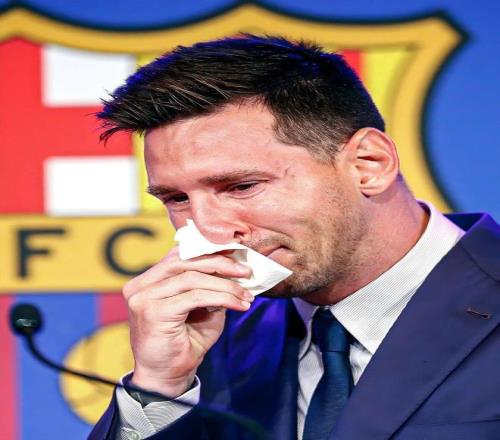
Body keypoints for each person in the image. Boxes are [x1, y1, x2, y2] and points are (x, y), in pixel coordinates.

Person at [89, 35, 500, 440]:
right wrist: (159, 389)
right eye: (177, 199)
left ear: (369, 164)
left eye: (242, 186)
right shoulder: (209, 333)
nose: (208, 230)